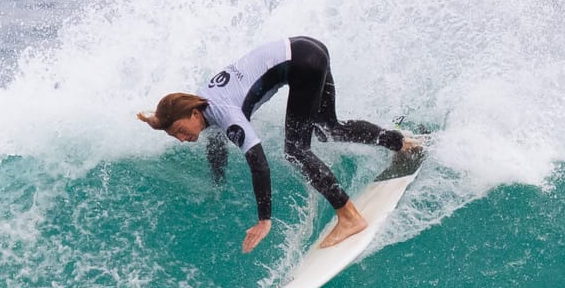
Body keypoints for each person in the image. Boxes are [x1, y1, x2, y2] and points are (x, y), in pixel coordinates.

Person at [136, 36, 421, 252]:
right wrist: (217, 182)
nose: (183, 139)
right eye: (175, 136)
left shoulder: (226, 114)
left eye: (180, 131)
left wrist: (264, 220)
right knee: (328, 127)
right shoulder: (199, 102)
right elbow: (215, 144)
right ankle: (401, 144)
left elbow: (258, 163)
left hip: (302, 65)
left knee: (296, 150)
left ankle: (349, 218)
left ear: (193, 114)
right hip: (307, 48)